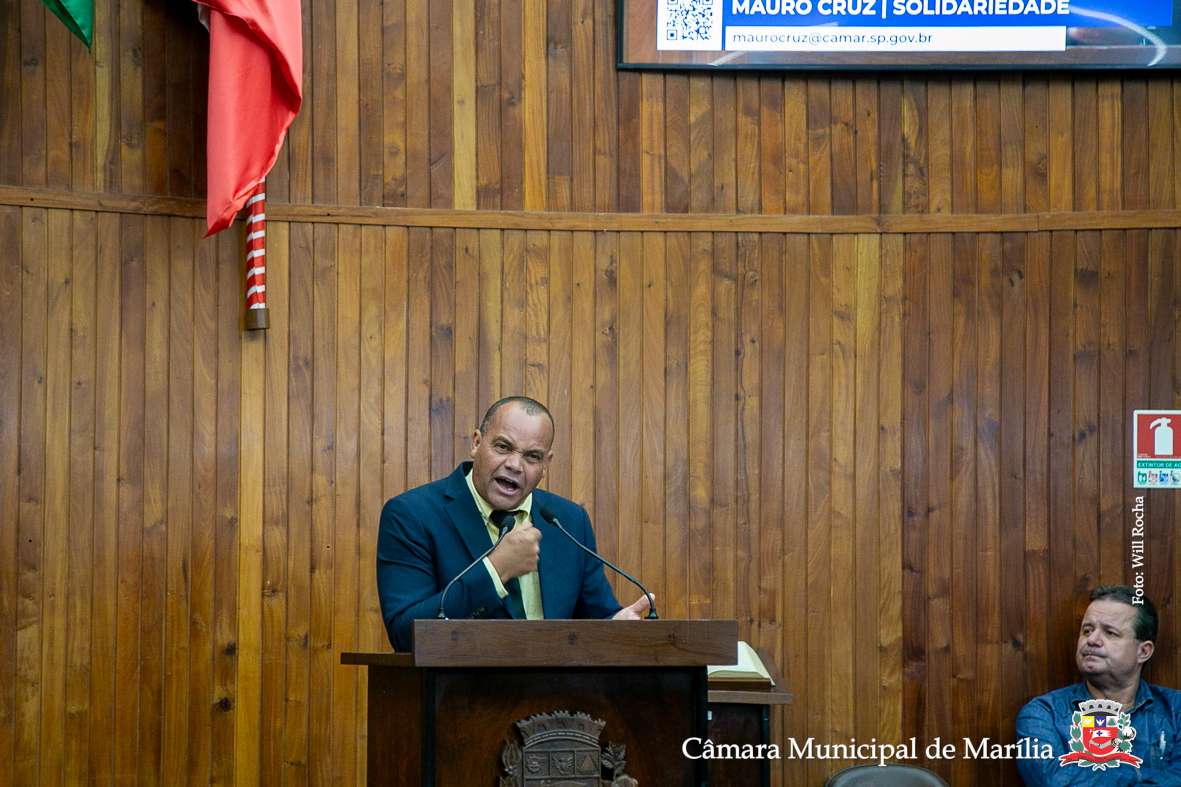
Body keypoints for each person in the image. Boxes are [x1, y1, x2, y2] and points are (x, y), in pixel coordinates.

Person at [377, 396, 652, 651]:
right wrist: (496, 570)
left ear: (545, 464)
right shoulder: (412, 514)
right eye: (503, 447)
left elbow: (597, 618)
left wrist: (616, 627)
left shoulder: (567, 520)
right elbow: (405, 634)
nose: (515, 465)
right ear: (476, 443)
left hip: (554, 686)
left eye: (532, 456)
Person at [1016, 585, 1181, 786]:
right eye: (1087, 630)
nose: (1092, 640)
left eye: (1110, 633)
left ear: (1143, 651)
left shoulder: (1176, 709)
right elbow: (1053, 780)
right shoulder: (1043, 714)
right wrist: (1139, 775)